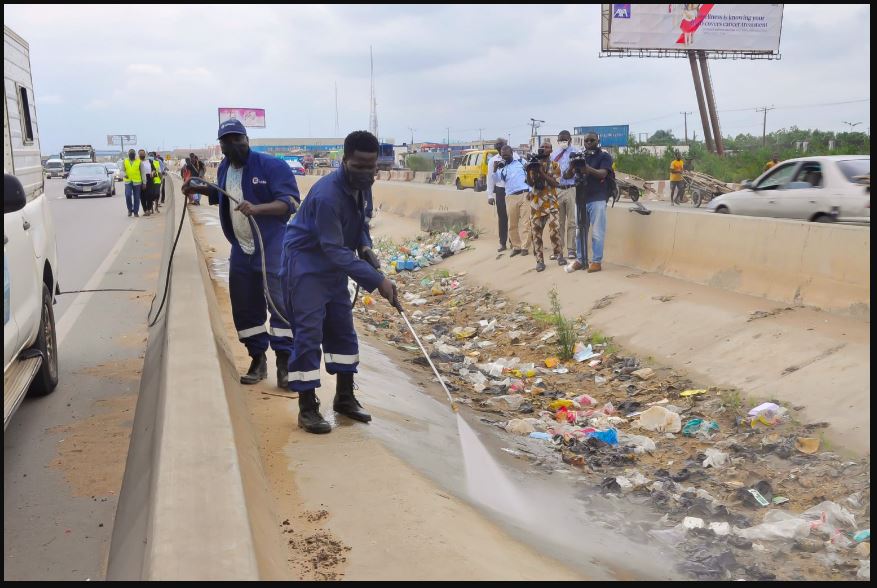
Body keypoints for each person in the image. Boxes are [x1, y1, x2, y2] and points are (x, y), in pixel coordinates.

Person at [281, 130, 400, 434]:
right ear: (345, 161)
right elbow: (332, 248)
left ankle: (344, 398)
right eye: (358, 166)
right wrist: (378, 281)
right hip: (307, 263)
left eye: (371, 167)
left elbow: (359, 224)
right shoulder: (326, 196)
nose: (365, 173)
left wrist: (366, 246)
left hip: (334, 263)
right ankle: (307, 408)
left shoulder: (364, 186)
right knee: (308, 334)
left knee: (342, 329)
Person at [182, 118, 299, 388]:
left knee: (280, 307)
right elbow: (222, 194)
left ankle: (285, 363)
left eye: (238, 139)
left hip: (271, 247)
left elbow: (290, 202)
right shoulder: (225, 167)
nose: (234, 145)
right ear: (221, 145)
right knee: (245, 307)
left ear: (247, 140)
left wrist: (258, 209)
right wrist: (197, 187)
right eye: (227, 141)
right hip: (242, 250)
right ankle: (258, 360)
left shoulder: (272, 166)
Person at [563, 132, 613, 273]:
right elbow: (567, 176)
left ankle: (596, 262)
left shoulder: (604, 156)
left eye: (592, 140)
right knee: (580, 231)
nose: (589, 142)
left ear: (598, 140)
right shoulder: (580, 155)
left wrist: (587, 169)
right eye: (586, 140)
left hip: (597, 198)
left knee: (597, 232)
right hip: (580, 198)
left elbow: (603, 173)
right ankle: (580, 260)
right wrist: (573, 166)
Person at [526, 140, 564, 271]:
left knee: (555, 230)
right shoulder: (533, 163)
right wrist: (528, 170)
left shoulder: (555, 165)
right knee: (536, 234)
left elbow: (556, 183)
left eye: (547, 147)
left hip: (552, 202)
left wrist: (541, 172)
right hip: (537, 204)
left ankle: (559, 255)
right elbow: (531, 184)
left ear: (551, 150)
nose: (544, 149)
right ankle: (539, 261)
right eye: (542, 147)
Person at [486, 137, 520, 252]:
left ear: (506, 145)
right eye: (497, 145)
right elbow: (490, 179)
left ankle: (514, 242)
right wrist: (490, 195)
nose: (498, 147)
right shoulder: (493, 161)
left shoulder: (516, 157)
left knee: (513, 217)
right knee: (502, 218)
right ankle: (502, 242)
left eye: (501, 144)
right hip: (500, 190)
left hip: (513, 190)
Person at [498, 145, 532, 257]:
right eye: (503, 155)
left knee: (525, 223)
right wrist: (496, 169)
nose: (505, 157)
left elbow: (530, 176)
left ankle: (525, 247)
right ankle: (516, 246)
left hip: (524, 194)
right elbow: (497, 180)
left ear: (512, 153)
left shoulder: (521, 162)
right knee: (512, 224)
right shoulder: (501, 166)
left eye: (507, 154)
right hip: (510, 197)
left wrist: (531, 190)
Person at [550, 130, 579, 259]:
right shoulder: (554, 155)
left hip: (572, 188)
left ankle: (571, 249)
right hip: (559, 189)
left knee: (572, 221)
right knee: (559, 222)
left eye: (565, 140)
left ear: (570, 140)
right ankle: (559, 250)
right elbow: (552, 173)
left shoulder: (576, 152)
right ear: (557, 141)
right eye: (561, 140)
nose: (563, 142)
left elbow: (579, 171)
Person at [121, 149, 142, 217]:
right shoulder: (125, 161)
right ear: (128, 154)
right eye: (130, 154)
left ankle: (135, 212)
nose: (131, 155)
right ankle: (130, 210)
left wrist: (144, 182)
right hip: (128, 181)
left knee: (136, 198)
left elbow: (143, 172)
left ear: (135, 155)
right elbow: (122, 170)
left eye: (133, 154)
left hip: (137, 182)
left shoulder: (139, 161)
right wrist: (124, 174)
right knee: (128, 195)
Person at [137, 150, 154, 216]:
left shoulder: (149, 161)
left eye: (143, 154)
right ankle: (145, 210)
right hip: (140, 179)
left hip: (149, 179)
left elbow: (154, 169)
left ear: (145, 154)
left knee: (149, 194)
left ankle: (149, 208)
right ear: (139, 155)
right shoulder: (138, 162)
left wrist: (153, 172)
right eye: (140, 154)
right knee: (142, 196)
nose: (142, 155)